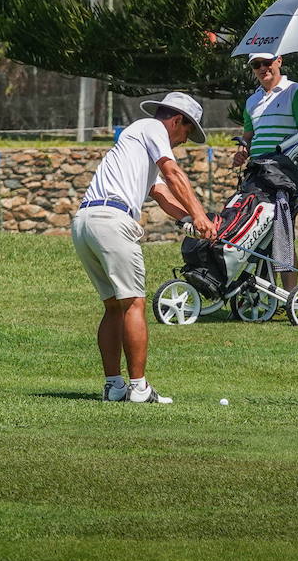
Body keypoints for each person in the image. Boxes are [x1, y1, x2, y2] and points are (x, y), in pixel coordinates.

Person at [71, 92, 219, 404]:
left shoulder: (136, 142)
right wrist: (201, 216)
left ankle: (115, 387)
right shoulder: (153, 129)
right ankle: (138, 388)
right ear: (177, 121)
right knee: (134, 304)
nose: (182, 141)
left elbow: (161, 193)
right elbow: (173, 174)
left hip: (85, 222)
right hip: (112, 221)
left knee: (114, 306)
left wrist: (187, 222)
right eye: (186, 133)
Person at [232, 52, 298, 292]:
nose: (262, 68)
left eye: (266, 63)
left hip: (284, 173)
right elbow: (249, 137)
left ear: (279, 61)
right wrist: (241, 152)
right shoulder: (252, 101)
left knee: (282, 233)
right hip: (257, 172)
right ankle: (266, 292)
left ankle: (288, 296)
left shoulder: (296, 92)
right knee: (257, 233)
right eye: (256, 65)